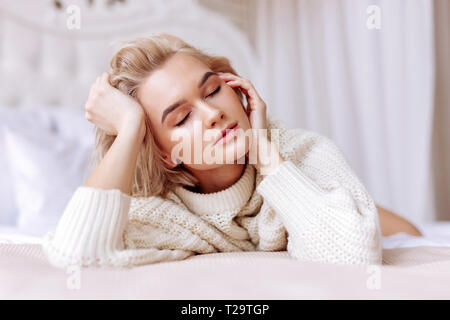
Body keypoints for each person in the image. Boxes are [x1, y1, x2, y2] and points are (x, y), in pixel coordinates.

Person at [42, 33, 421, 269]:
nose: (213, 114)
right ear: (163, 155)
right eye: (181, 118)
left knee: (408, 231)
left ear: (238, 89)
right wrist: (129, 131)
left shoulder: (303, 151)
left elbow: (353, 254)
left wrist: (263, 152)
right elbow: (77, 258)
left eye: (212, 91)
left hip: (316, 190)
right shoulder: (160, 213)